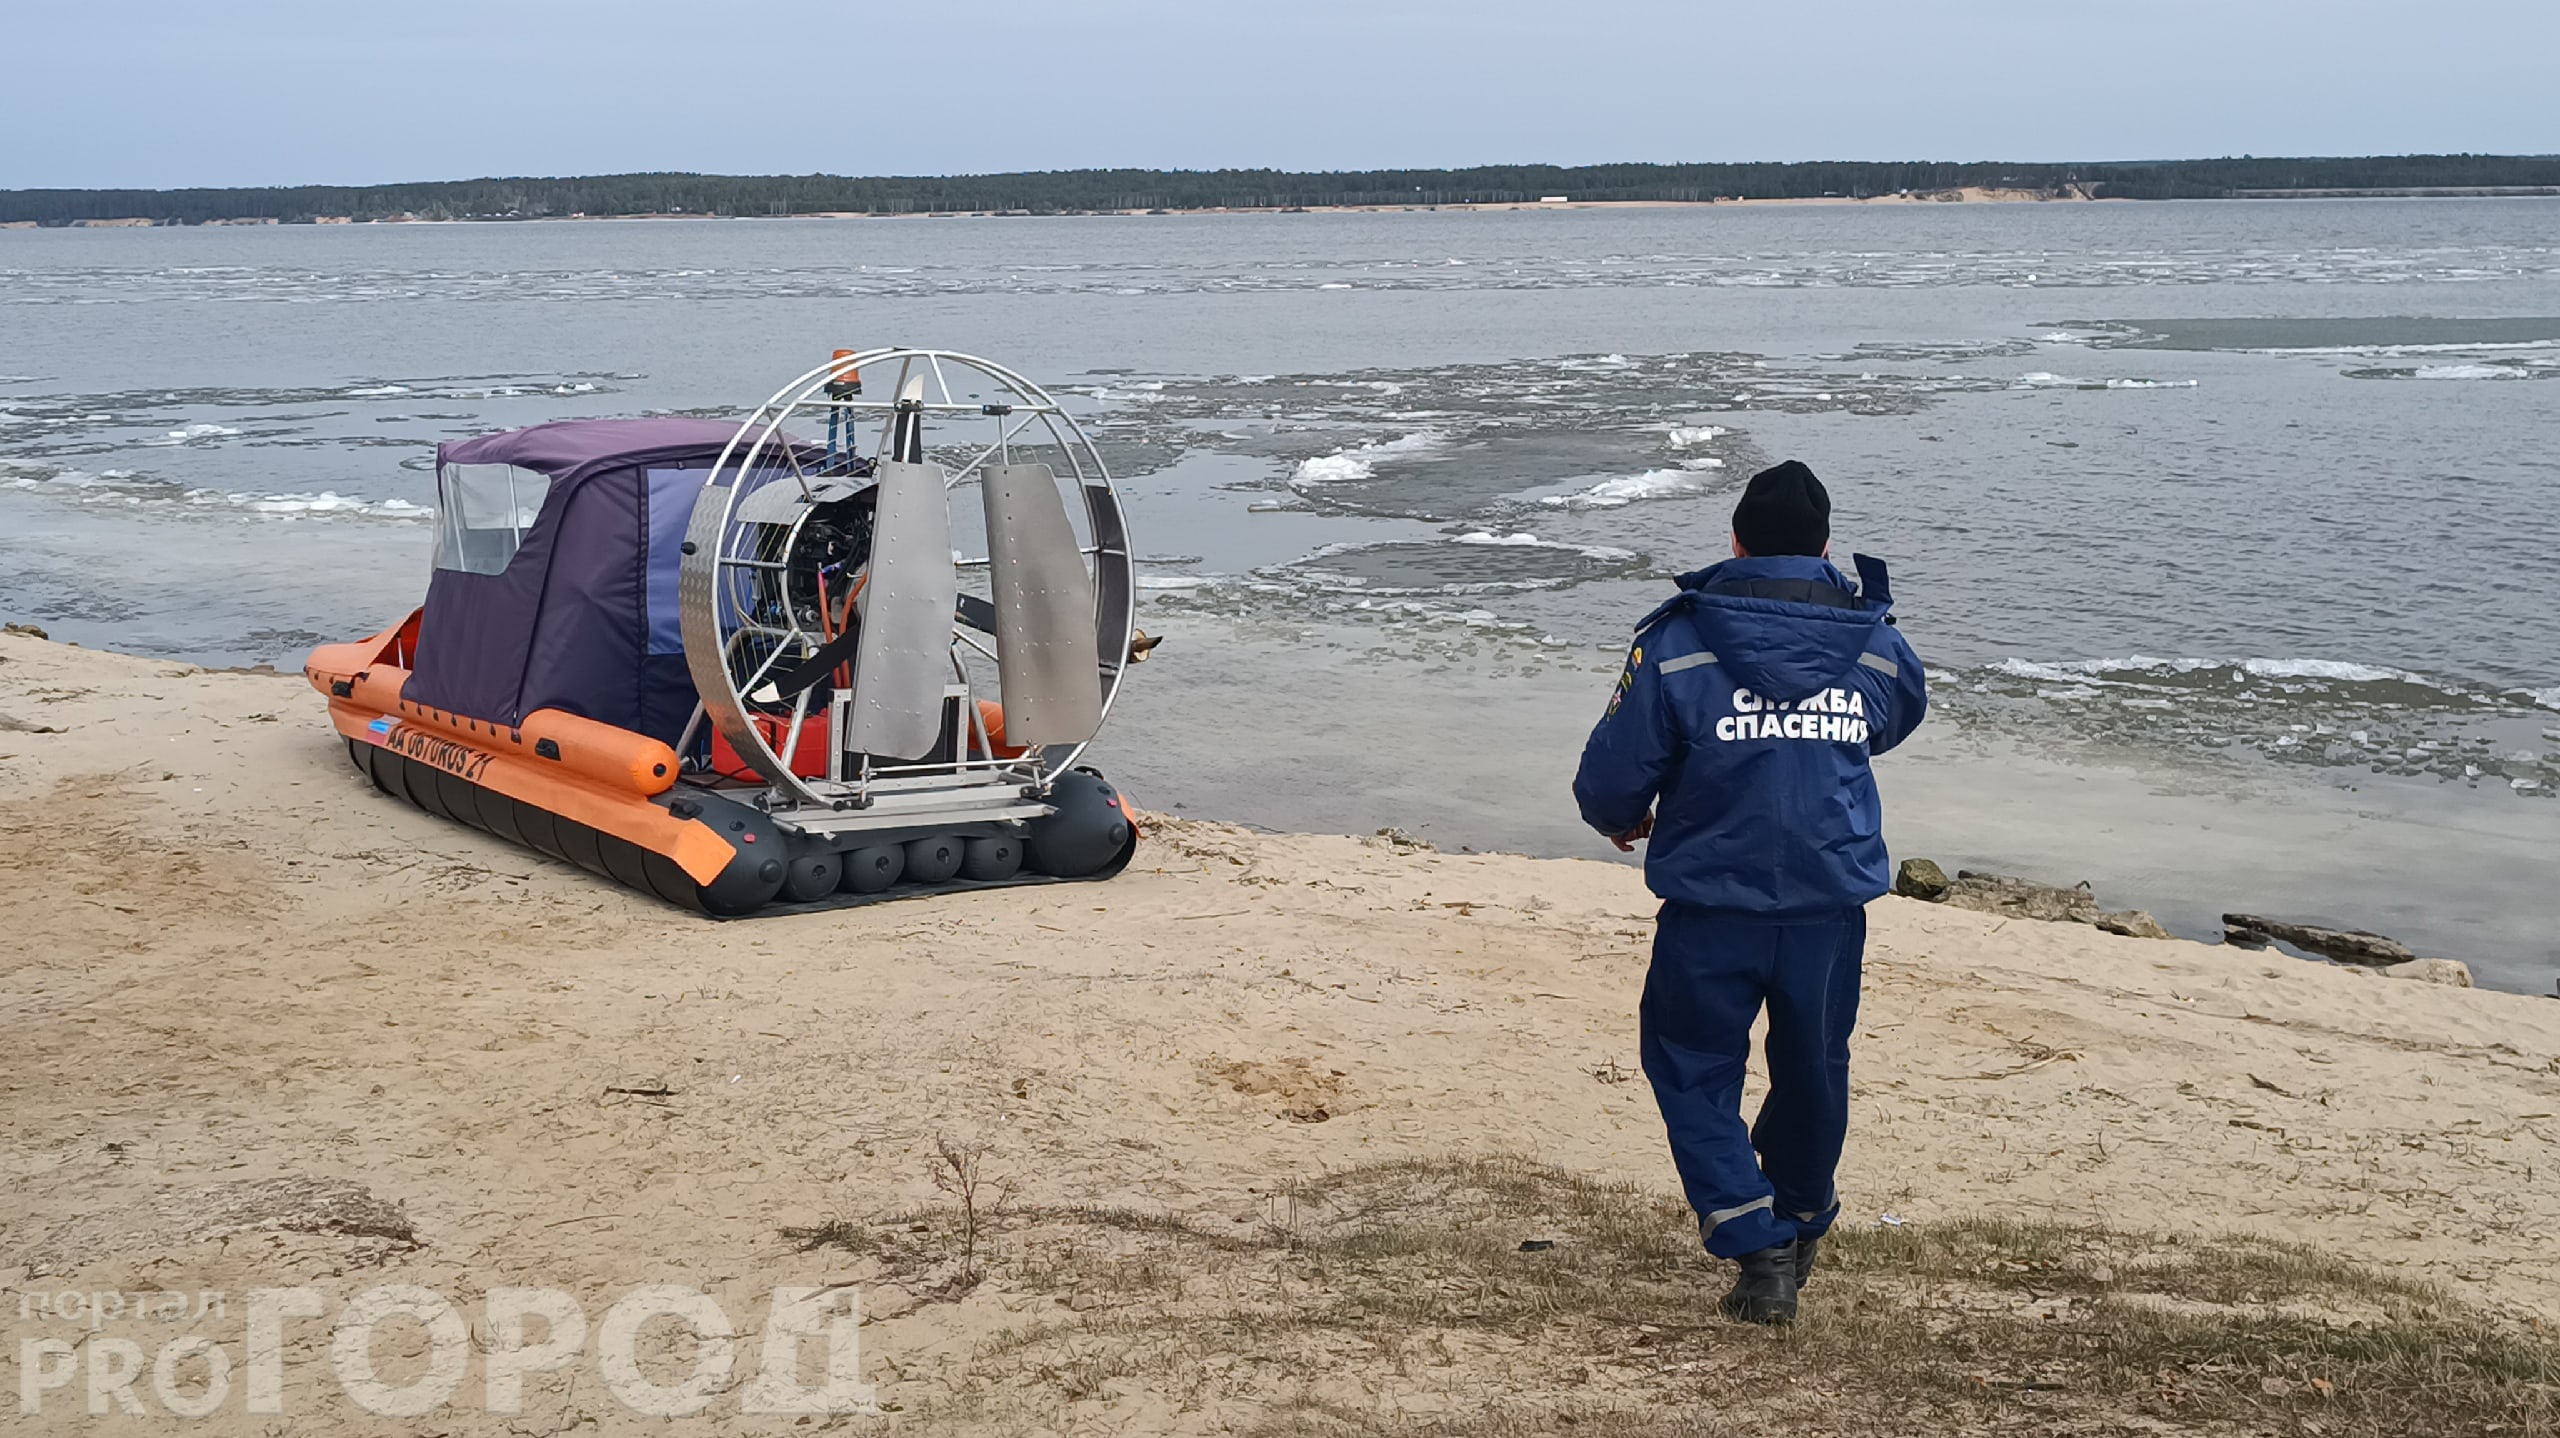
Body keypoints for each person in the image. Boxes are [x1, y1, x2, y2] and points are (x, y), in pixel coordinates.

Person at [1572, 459, 1928, 1324]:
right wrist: (1812, 746)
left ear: (1734, 542)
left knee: (1696, 1073)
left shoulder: (1678, 638)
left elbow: (1620, 766)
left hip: (1715, 902)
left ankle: (1762, 1236)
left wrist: (1618, 815)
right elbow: (1894, 718)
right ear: (1825, 546)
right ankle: (1794, 1223)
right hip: (1824, 896)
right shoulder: (1874, 639)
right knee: (1812, 1068)